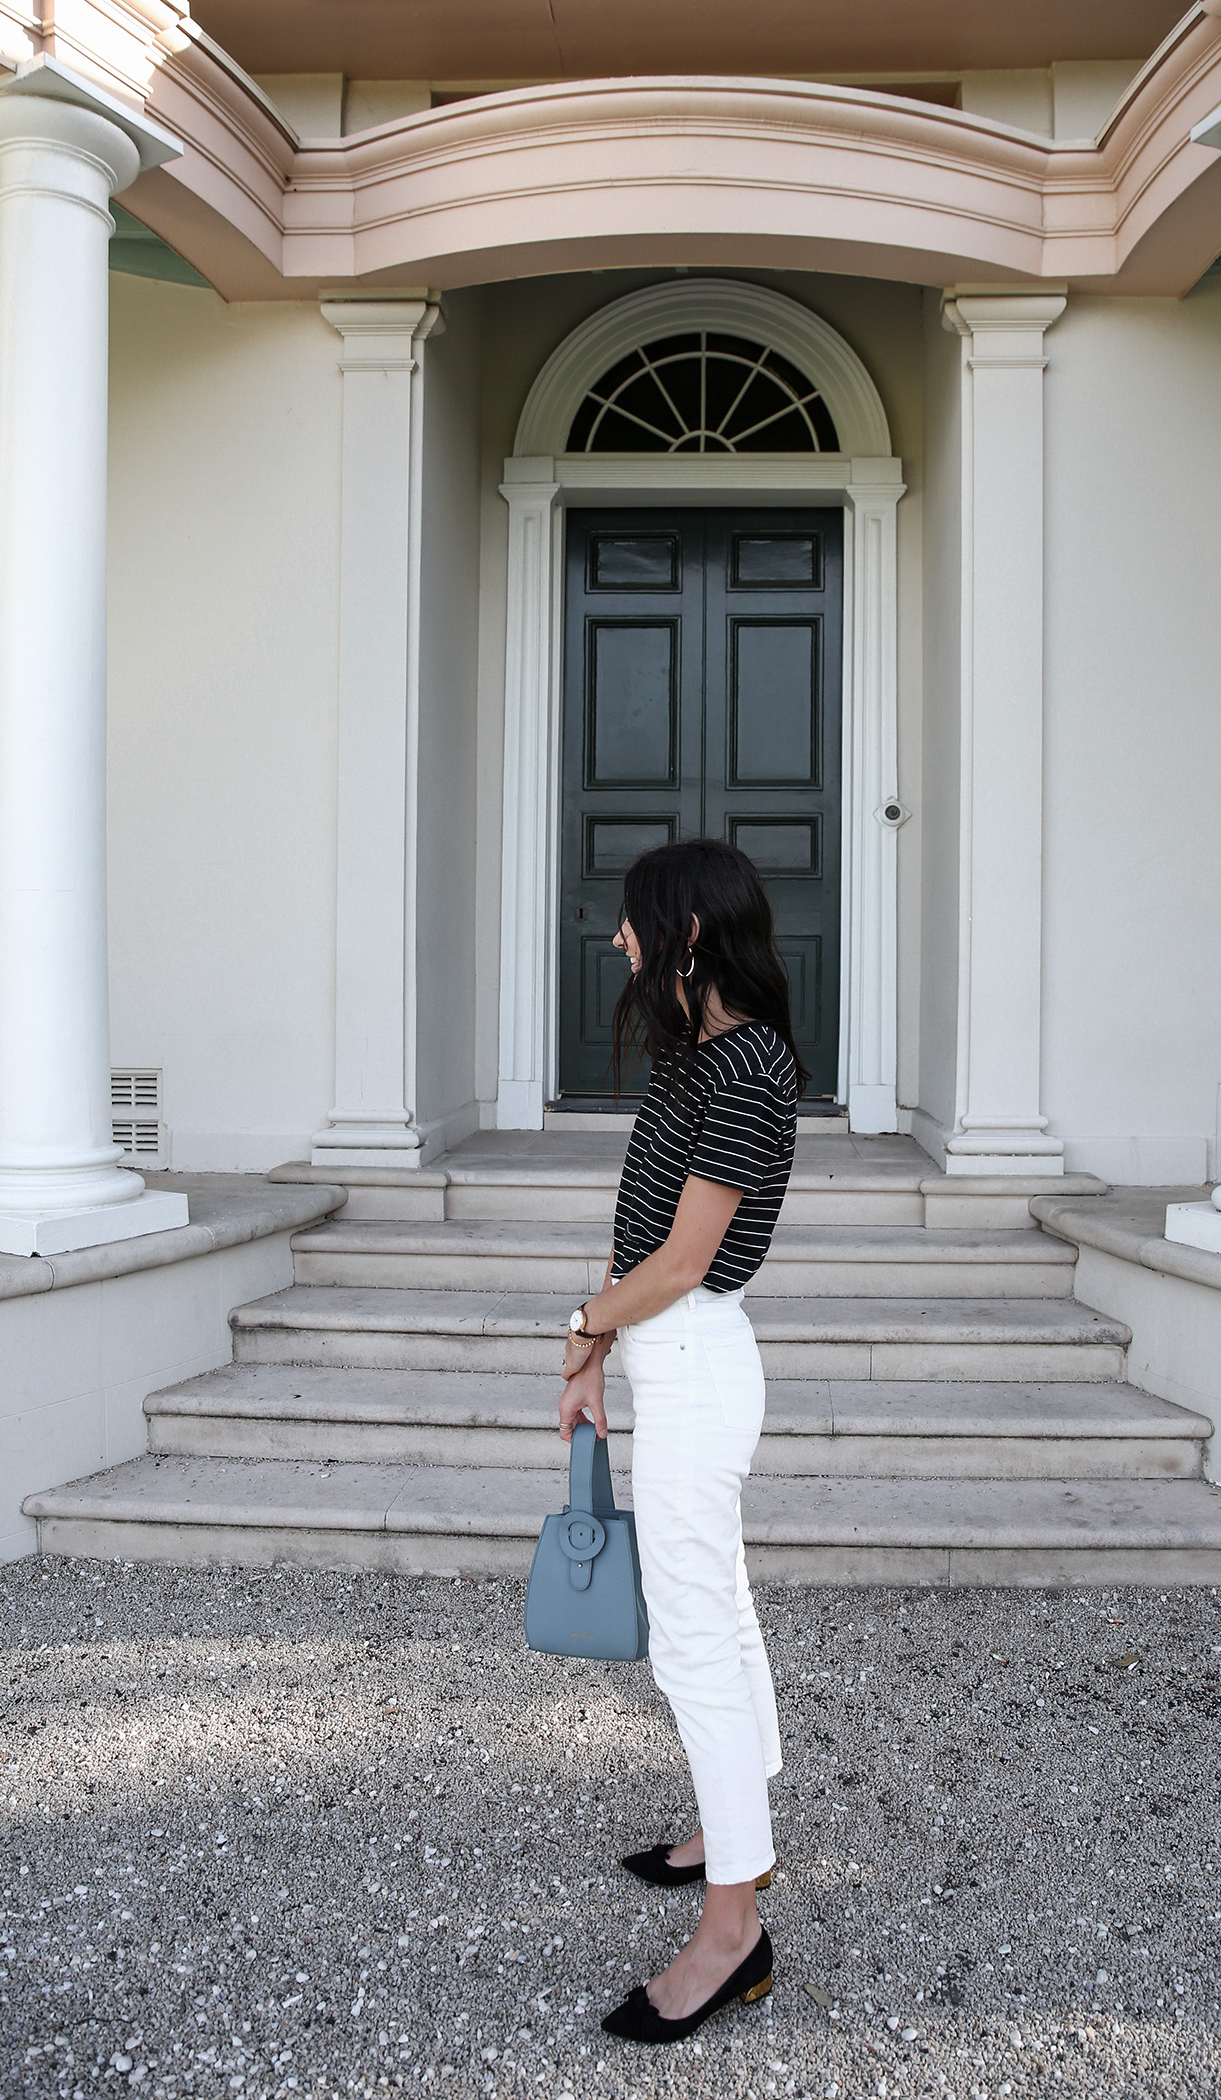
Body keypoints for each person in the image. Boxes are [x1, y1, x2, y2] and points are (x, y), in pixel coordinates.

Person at [556, 836, 805, 2046]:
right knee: (723, 1610)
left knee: (695, 1644)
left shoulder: (748, 1065)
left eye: (633, 920)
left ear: (688, 934)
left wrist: (579, 1322)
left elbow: (683, 1262)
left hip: (701, 1361)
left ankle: (731, 1936)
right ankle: (730, 1830)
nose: (618, 938)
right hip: (667, 1356)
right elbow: (635, 1224)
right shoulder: (692, 1059)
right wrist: (591, 1357)